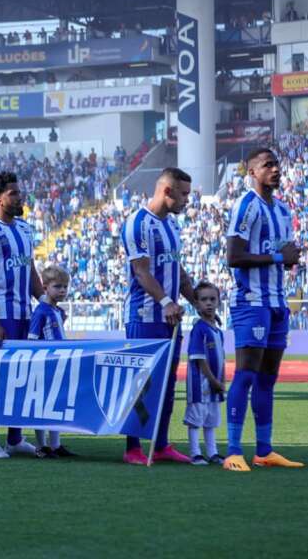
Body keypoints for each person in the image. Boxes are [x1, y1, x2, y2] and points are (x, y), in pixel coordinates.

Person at [223, 148, 304, 471]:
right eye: (267, 165)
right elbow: (234, 256)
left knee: (268, 379)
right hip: (250, 303)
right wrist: (278, 258)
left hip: (276, 303)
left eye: (277, 165)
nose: (275, 170)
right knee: (245, 374)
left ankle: (264, 450)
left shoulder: (283, 211)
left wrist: (288, 257)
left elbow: (280, 256)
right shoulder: (246, 206)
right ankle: (232, 451)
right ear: (252, 172)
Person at [119, 168, 197, 465]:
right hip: (143, 315)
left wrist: (194, 301)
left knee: (167, 384)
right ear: (167, 191)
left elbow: (177, 268)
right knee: (141, 383)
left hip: (169, 317)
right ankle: (132, 448)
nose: (187, 200)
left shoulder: (173, 225)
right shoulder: (137, 223)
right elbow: (141, 271)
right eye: (184, 194)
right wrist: (165, 301)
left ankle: (161, 443)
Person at [0, 171, 43, 458]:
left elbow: (31, 270)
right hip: (0, 315)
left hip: (25, 313)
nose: (19, 197)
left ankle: (15, 438)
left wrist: (45, 301)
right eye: (13, 193)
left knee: (21, 377)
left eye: (19, 192)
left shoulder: (26, 230)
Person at [27, 265, 75, 458]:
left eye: (65, 286)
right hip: (45, 365)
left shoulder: (57, 311)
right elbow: (32, 339)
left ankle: (55, 444)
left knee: (56, 404)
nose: (62, 290)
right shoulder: (41, 311)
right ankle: (42, 445)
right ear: (45, 287)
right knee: (42, 405)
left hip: (58, 364)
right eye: (57, 286)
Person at [184, 281, 226, 466]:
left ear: (218, 302)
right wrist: (213, 380)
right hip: (200, 384)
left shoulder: (218, 330)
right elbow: (199, 358)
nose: (208, 303)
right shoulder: (199, 329)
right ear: (196, 304)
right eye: (204, 300)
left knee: (211, 419)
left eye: (212, 299)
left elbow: (221, 358)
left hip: (214, 384)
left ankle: (213, 452)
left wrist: (220, 380)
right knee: (196, 419)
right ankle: (195, 453)